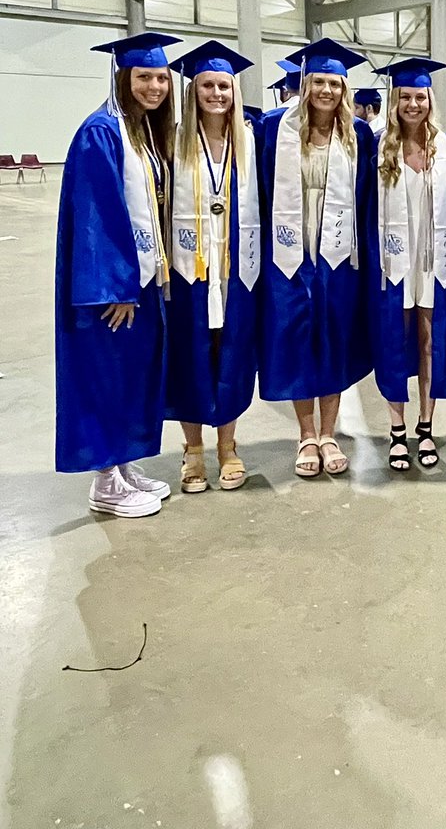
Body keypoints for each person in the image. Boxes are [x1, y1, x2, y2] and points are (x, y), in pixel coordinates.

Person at [56, 31, 180, 517]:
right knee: (106, 375)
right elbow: (96, 217)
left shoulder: (139, 131)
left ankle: (123, 467)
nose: (154, 86)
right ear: (122, 77)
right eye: (144, 77)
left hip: (143, 280)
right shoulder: (101, 132)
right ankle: (105, 481)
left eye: (161, 78)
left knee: (131, 375)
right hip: (112, 290)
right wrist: (117, 286)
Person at [258, 38, 375, 478]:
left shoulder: (359, 134)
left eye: (335, 82)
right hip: (289, 252)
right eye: (319, 81)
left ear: (345, 89)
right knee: (295, 339)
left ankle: (329, 432)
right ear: (305, 84)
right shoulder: (273, 128)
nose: (327, 90)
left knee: (334, 339)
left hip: (338, 254)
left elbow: (367, 199)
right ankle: (306, 433)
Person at [166, 41, 261, 493]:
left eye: (224, 85)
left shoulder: (248, 140)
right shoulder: (172, 139)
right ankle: (193, 452)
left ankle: (228, 447)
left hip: (235, 269)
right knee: (191, 356)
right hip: (190, 271)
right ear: (194, 90)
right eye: (208, 85)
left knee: (231, 356)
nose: (217, 93)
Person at [369, 58, 446, 470]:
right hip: (392, 263)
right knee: (394, 341)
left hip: (434, 261)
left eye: (419, 97)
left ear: (430, 99)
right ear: (394, 101)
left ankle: (425, 426)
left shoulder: (444, 145)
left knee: (429, 341)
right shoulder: (377, 144)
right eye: (405, 96)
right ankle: (395, 428)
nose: (412, 104)